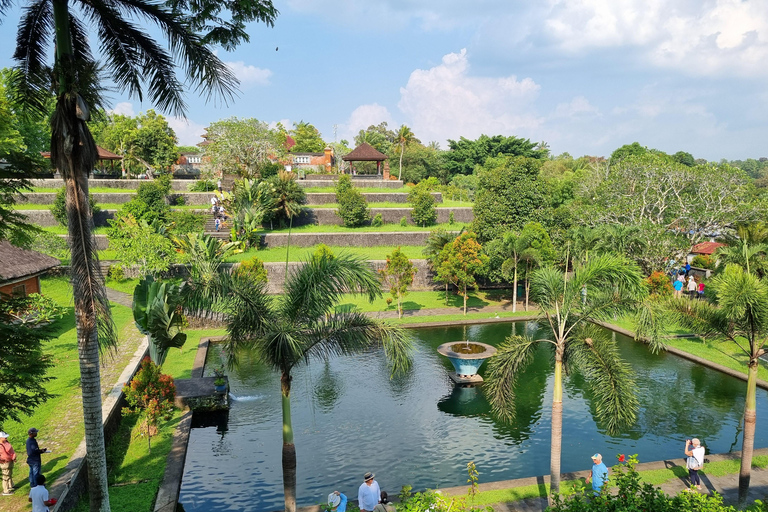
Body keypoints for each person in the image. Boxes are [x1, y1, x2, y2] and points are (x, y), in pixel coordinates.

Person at [0, 431, 17, 495]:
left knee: (10, 473)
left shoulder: (6, 442)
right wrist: (11, 457)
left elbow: (11, 449)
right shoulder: (0, 445)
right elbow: (4, 455)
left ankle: (11, 485)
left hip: (10, 461)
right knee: (6, 476)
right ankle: (6, 490)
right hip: (5, 462)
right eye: (4, 437)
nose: (6, 438)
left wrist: (14, 456)